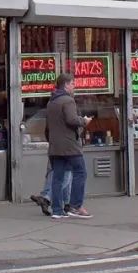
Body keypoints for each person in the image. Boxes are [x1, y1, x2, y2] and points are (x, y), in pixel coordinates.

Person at [46, 72, 92, 219]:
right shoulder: (68, 100)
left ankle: (57, 210)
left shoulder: (51, 102)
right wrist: (84, 121)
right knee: (81, 172)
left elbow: (47, 127)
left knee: (57, 177)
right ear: (66, 85)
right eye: (72, 84)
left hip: (55, 146)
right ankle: (75, 206)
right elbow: (71, 120)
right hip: (70, 145)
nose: (74, 86)